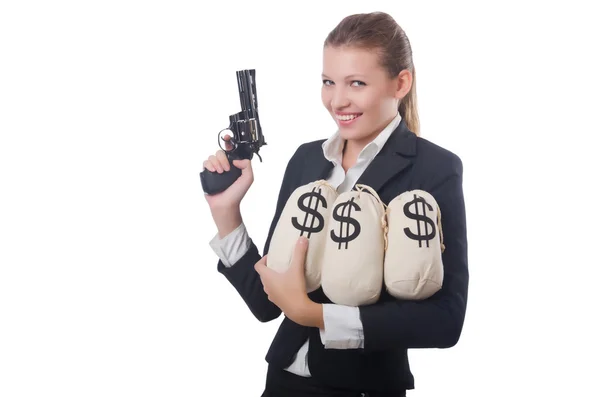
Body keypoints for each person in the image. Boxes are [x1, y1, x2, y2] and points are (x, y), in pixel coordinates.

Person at [202, 11, 469, 397]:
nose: (337, 100)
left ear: (401, 83)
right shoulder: (307, 160)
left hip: (363, 389)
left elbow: (445, 321)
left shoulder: (435, 169)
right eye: (328, 82)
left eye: (356, 83)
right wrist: (226, 213)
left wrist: (316, 315)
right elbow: (267, 303)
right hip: (282, 383)